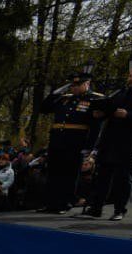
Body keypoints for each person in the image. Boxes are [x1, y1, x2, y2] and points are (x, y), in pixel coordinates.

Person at [87, 63, 132, 220]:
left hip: (128, 139)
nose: (131, 78)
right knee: (102, 175)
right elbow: (110, 108)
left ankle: (119, 210)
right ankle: (96, 208)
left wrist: (129, 115)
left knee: (123, 178)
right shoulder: (120, 92)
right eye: (130, 75)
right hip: (109, 138)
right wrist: (100, 114)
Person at [38, 71, 104, 215]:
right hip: (57, 141)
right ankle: (50, 203)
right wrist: (57, 92)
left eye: (77, 84)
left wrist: (89, 147)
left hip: (75, 143)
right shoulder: (64, 98)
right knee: (53, 173)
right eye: (72, 85)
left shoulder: (95, 100)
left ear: (86, 84)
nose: (73, 87)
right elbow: (44, 108)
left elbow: (95, 127)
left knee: (69, 174)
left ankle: (64, 203)